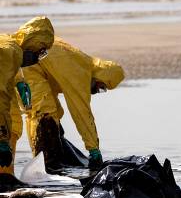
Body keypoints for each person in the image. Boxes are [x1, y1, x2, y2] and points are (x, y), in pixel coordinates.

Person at [19, 38, 124, 171]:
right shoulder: (80, 73)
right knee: (43, 115)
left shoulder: (81, 61)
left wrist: (57, 127)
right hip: (28, 66)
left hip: (31, 64)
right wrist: (93, 150)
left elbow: (51, 85)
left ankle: (47, 164)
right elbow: (81, 114)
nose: (97, 91)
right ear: (98, 77)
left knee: (52, 116)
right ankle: (45, 166)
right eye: (100, 86)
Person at [0, 16, 55, 179]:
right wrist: (2, 138)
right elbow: (0, 96)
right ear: (33, 42)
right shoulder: (12, 50)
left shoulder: (7, 43)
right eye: (41, 51)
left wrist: (19, 80)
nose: (38, 58)